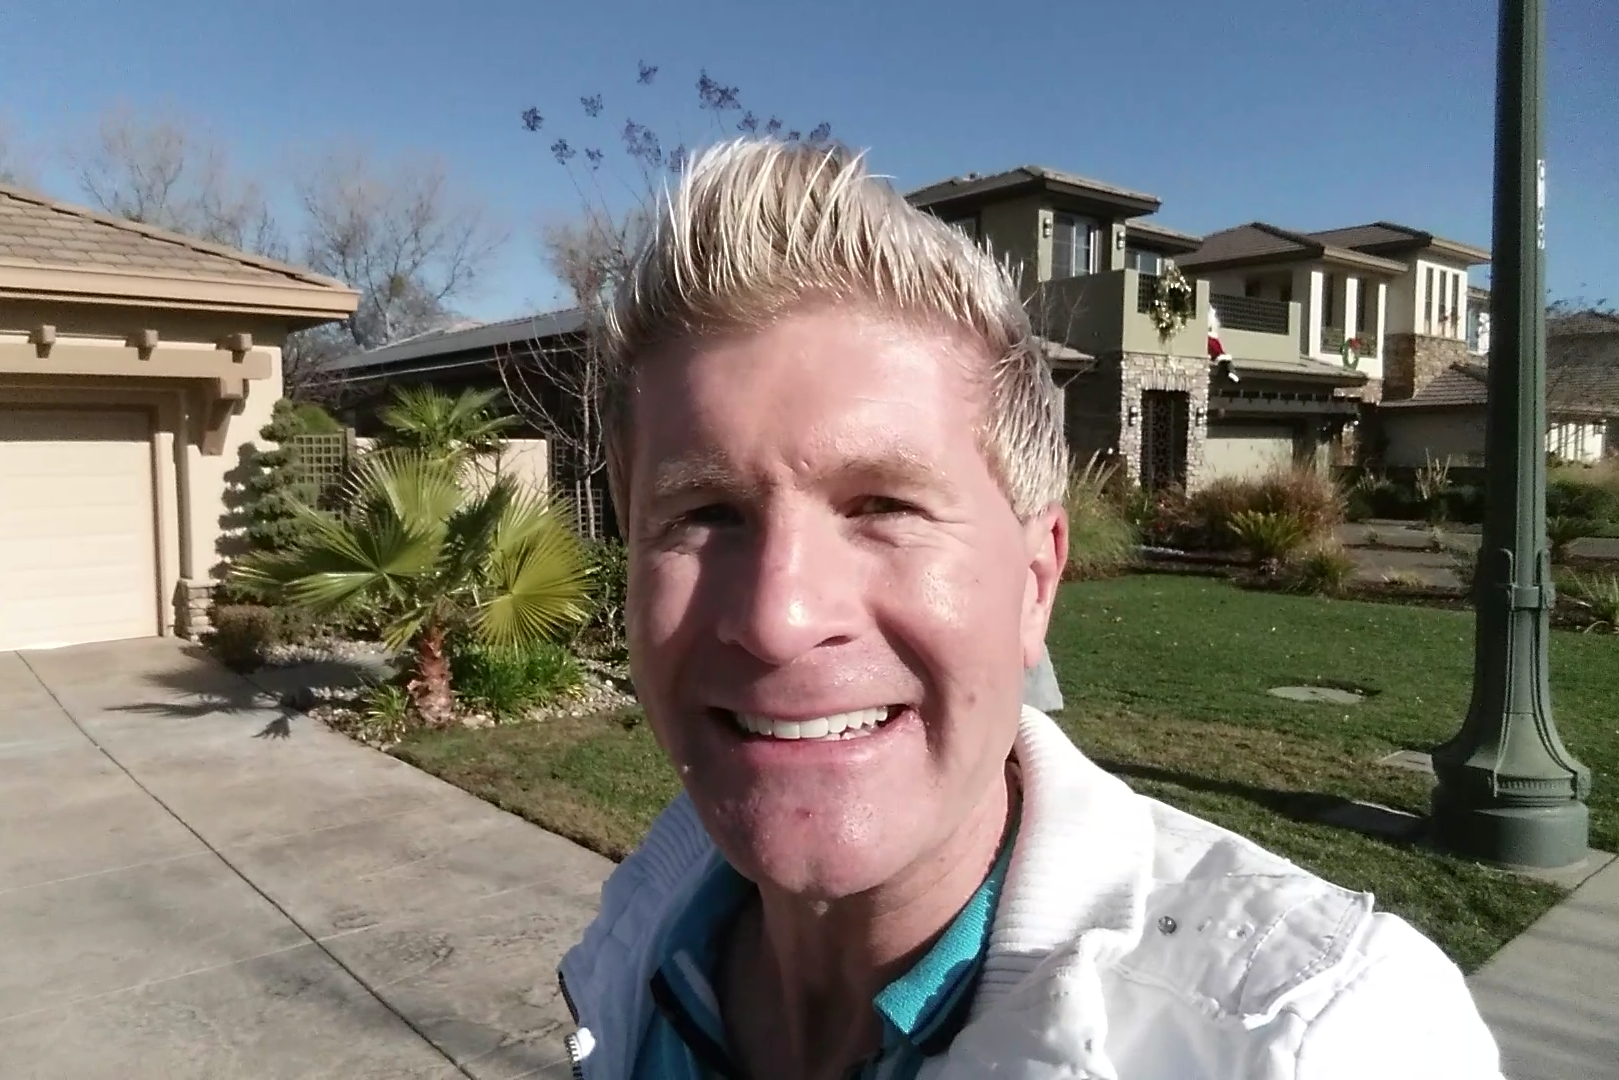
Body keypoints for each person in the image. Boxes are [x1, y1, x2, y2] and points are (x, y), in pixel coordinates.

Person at [556, 137, 1502, 1080]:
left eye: (884, 506)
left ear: (1037, 581)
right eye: (703, 514)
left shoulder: (1322, 1038)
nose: (779, 617)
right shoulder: (640, 938)